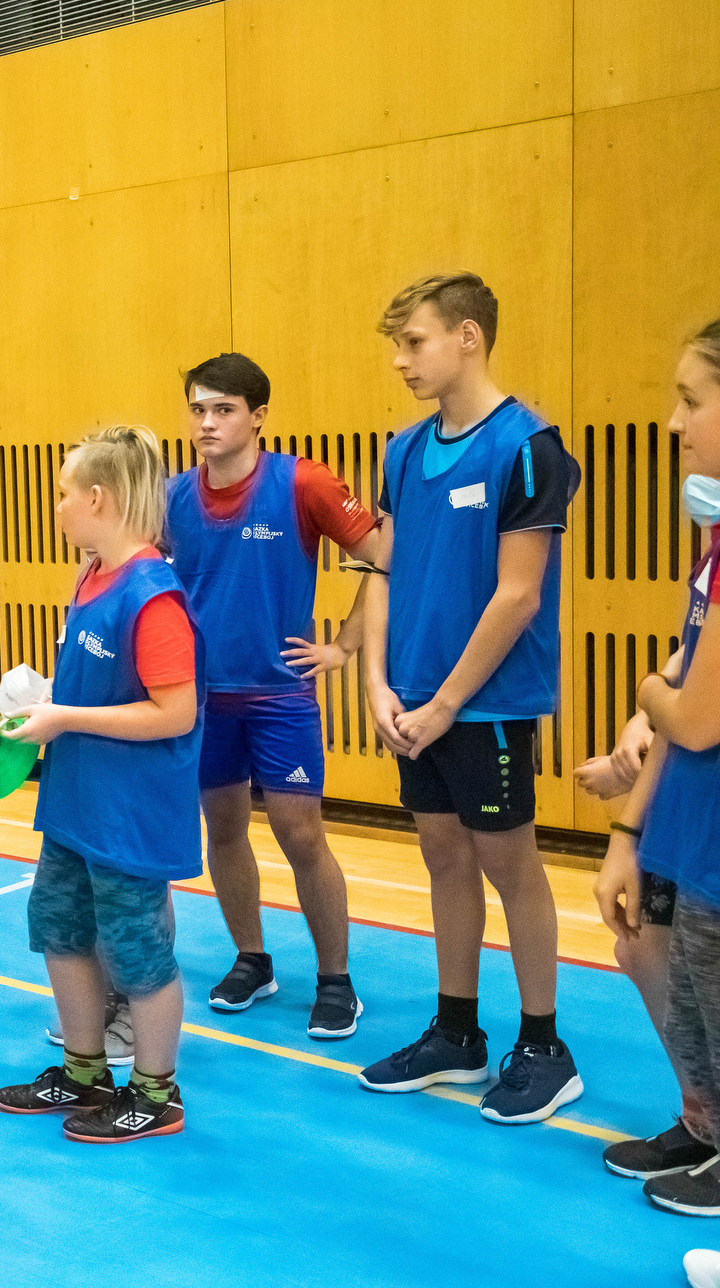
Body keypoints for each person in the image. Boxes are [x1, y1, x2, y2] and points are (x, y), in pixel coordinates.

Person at [358, 272, 583, 1123]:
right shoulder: (402, 451)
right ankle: (457, 1031)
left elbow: (518, 595)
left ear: (467, 336)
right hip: (413, 699)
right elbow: (383, 569)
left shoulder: (527, 447)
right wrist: (377, 682)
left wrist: (447, 702)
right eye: (398, 345)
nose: (401, 360)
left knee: (508, 864)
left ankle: (544, 1046)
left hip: (486, 704)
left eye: (413, 342)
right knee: (442, 857)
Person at [164, 352, 382, 1038]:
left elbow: (386, 556)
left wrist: (344, 646)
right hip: (204, 699)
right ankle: (252, 959)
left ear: (258, 417)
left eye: (223, 410)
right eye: (198, 409)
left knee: (300, 834)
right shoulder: (171, 497)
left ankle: (336, 980)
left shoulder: (303, 482)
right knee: (223, 830)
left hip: (279, 698)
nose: (207, 423)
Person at [0, 427, 202, 1142]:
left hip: (128, 813)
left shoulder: (152, 595)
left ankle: (156, 1092)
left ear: (97, 498)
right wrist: (45, 701)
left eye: (62, 494)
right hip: (76, 802)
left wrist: (66, 717)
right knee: (59, 927)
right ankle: (85, 1071)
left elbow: (175, 711)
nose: (55, 508)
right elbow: (101, 687)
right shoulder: (91, 575)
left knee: (136, 949)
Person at [597, 318, 720, 1214]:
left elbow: (697, 715)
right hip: (689, 817)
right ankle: (706, 1125)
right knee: (676, 974)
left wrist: (650, 693)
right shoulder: (711, 546)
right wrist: (628, 826)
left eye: (691, 400)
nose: (675, 422)